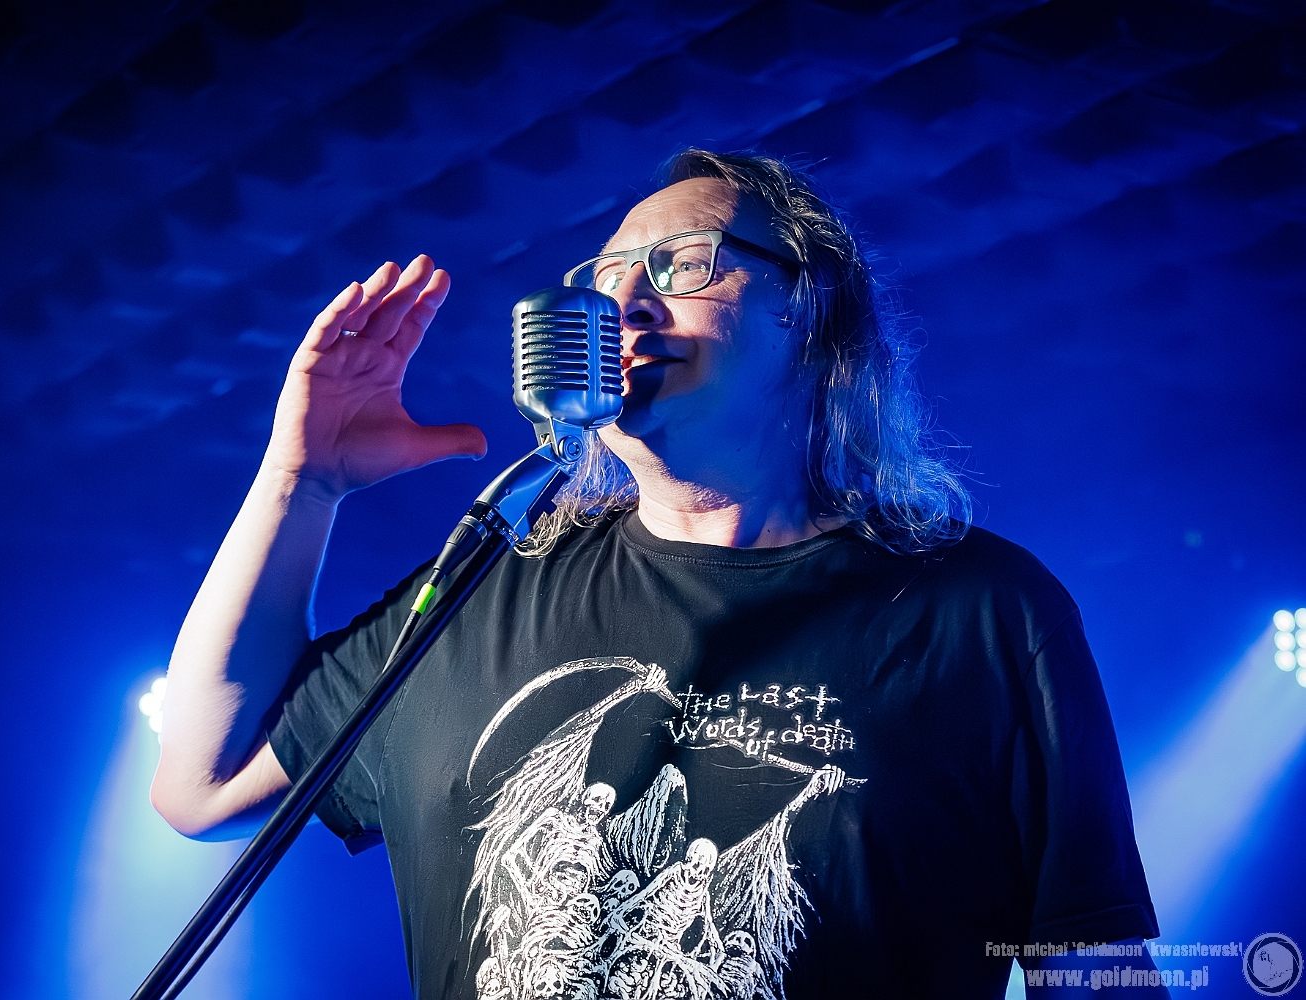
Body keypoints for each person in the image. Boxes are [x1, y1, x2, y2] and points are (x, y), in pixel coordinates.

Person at [151, 150, 1164, 998]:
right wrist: (302, 480)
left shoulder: (982, 611)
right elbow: (201, 784)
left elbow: (1094, 971)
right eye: (604, 280)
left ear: (804, 307)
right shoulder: (486, 586)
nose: (624, 302)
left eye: (679, 265)